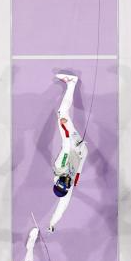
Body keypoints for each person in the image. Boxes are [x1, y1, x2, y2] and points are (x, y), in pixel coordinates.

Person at [48, 73, 89, 232]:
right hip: (77, 148)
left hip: (78, 152)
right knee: (62, 112)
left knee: (62, 117)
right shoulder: (66, 184)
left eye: (63, 182)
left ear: (57, 181)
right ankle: (72, 82)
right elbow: (67, 145)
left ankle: (71, 85)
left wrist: (52, 223)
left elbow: (61, 207)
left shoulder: (60, 168)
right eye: (67, 184)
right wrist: (64, 124)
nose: (67, 182)